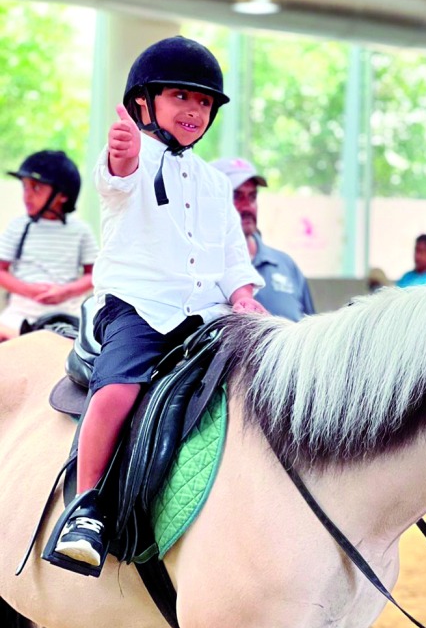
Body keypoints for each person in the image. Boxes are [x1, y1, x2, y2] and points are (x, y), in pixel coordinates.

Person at [172, 156, 371, 628]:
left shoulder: (282, 265)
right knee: (209, 570)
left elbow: (307, 336)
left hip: (290, 439)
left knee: (308, 581)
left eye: (255, 190)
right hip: (222, 430)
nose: (248, 200)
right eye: (238, 192)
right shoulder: (197, 256)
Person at [48, 36, 263, 573]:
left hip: (208, 319)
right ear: (144, 103)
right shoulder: (131, 161)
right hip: (139, 311)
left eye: (204, 102)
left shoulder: (215, 184)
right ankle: (86, 505)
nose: (194, 110)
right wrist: (122, 156)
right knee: (118, 389)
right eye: (180, 97)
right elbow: (115, 180)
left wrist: (242, 294)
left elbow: (233, 255)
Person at [0, 150, 97, 337]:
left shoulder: (80, 231)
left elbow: (93, 275)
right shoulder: (18, 227)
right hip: (20, 313)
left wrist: (65, 291)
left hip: (66, 314)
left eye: (36, 188)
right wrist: (27, 290)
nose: (27, 196)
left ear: (63, 195)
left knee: (82, 347)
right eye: (25, 187)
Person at [210, 157, 315, 320]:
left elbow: (310, 332)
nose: (247, 206)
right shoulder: (200, 268)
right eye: (236, 196)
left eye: (252, 196)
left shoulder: (285, 265)